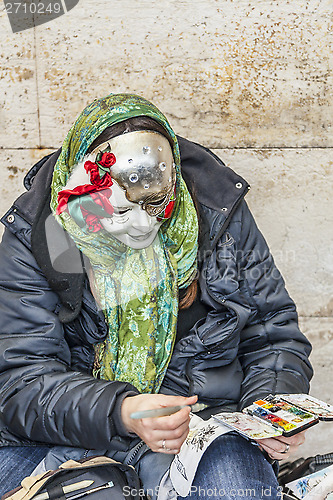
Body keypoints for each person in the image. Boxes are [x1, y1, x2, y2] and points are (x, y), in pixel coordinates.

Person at [0, 93, 313, 498]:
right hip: (64, 433)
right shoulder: (39, 232)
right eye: (122, 211)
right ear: (86, 196)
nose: (141, 226)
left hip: (201, 428)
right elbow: (19, 378)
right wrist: (121, 411)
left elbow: (272, 335)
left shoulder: (216, 213)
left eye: (155, 204)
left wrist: (268, 411)